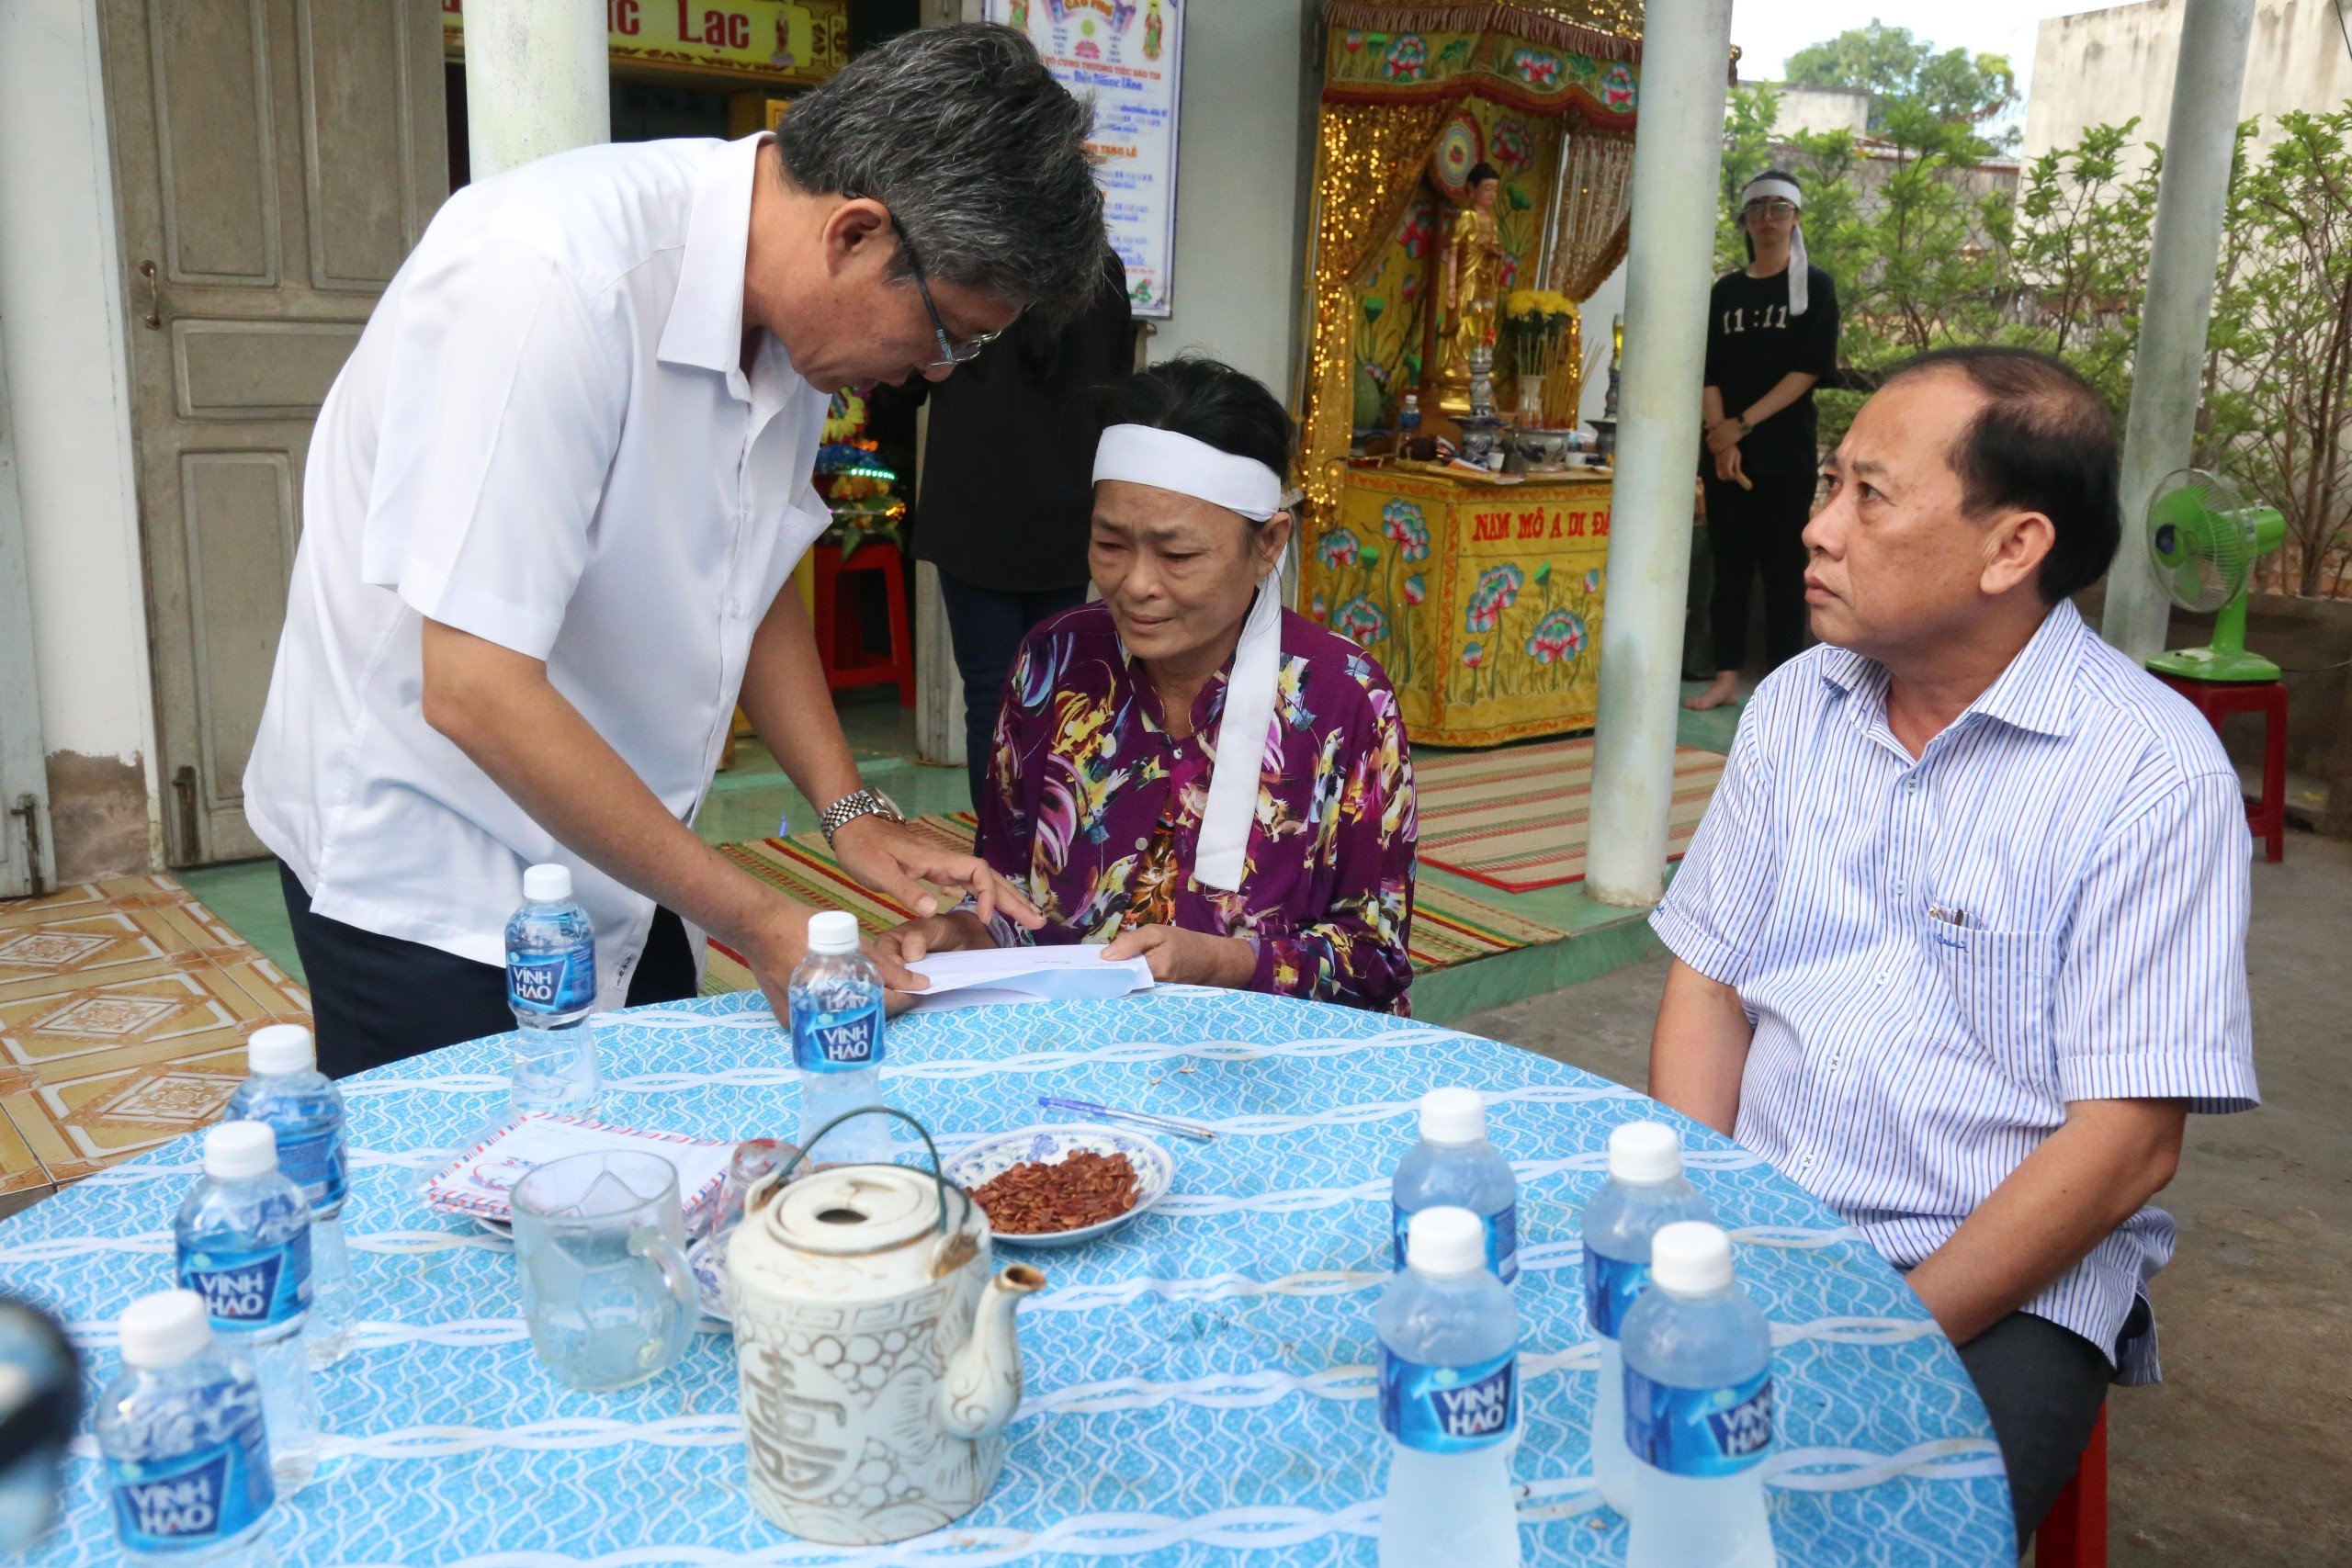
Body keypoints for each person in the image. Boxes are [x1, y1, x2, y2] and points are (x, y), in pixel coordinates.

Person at [243, 25, 1107, 1077]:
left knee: (641, 1165)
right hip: (435, 868)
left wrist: (847, 811)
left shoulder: (788, 316)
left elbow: (744, 572)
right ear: (855, 236)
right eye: (948, 333)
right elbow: (472, 686)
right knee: (475, 1195)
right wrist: (754, 917)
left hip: (623, 841)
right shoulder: (546, 280)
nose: (936, 372)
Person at [1645, 346, 2257, 1540]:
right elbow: (1708, 980)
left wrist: (1881, 1330)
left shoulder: (2150, 774)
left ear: (2012, 548)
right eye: (1829, 483)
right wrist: (1697, 1209)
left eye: (1868, 495)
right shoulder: (1799, 701)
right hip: (1761, 1213)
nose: (1819, 529)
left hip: (1994, 1278)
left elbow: (2128, 1145)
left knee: (1846, 1531)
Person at [873, 357, 1418, 1013]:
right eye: (1110, 544)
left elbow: (1379, 956)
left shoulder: (1344, 700)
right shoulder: (1057, 662)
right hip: (1071, 1048)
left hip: (1261, 1071)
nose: (1136, 584)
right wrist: (955, 933)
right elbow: (1012, 893)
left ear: (1269, 542)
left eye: (1178, 555)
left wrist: (1227, 962)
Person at [897, 246, 1136, 807]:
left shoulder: (972, 257)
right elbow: (1117, 390)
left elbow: (914, 374)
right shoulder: (1103, 270)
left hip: (975, 509)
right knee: (1053, 691)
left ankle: (997, 850)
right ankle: (1049, 841)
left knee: (990, 694)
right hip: (1065, 512)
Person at [1686, 169, 1841, 711]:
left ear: (1795, 218)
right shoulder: (1725, 292)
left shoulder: (1814, 288)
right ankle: (1726, 675)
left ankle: (1783, 687)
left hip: (1785, 456)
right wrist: (1720, 439)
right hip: (1726, 456)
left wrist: (1741, 426)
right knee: (1728, 568)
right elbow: (1708, 369)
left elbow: (1808, 370)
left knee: (1783, 571)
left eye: (1779, 209)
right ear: (1745, 221)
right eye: (1758, 210)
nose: (1768, 219)